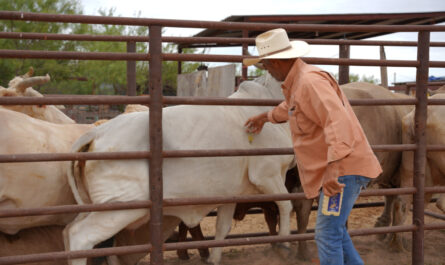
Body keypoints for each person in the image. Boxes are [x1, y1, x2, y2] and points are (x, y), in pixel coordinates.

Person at [244, 28, 382, 265]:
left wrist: (332, 168)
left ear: (276, 61)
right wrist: (265, 117)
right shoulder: (299, 83)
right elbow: (292, 108)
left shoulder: (309, 82)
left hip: (341, 171)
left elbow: (338, 123)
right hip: (340, 169)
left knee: (327, 234)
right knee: (336, 232)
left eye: (265, 65)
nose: (265, 70)